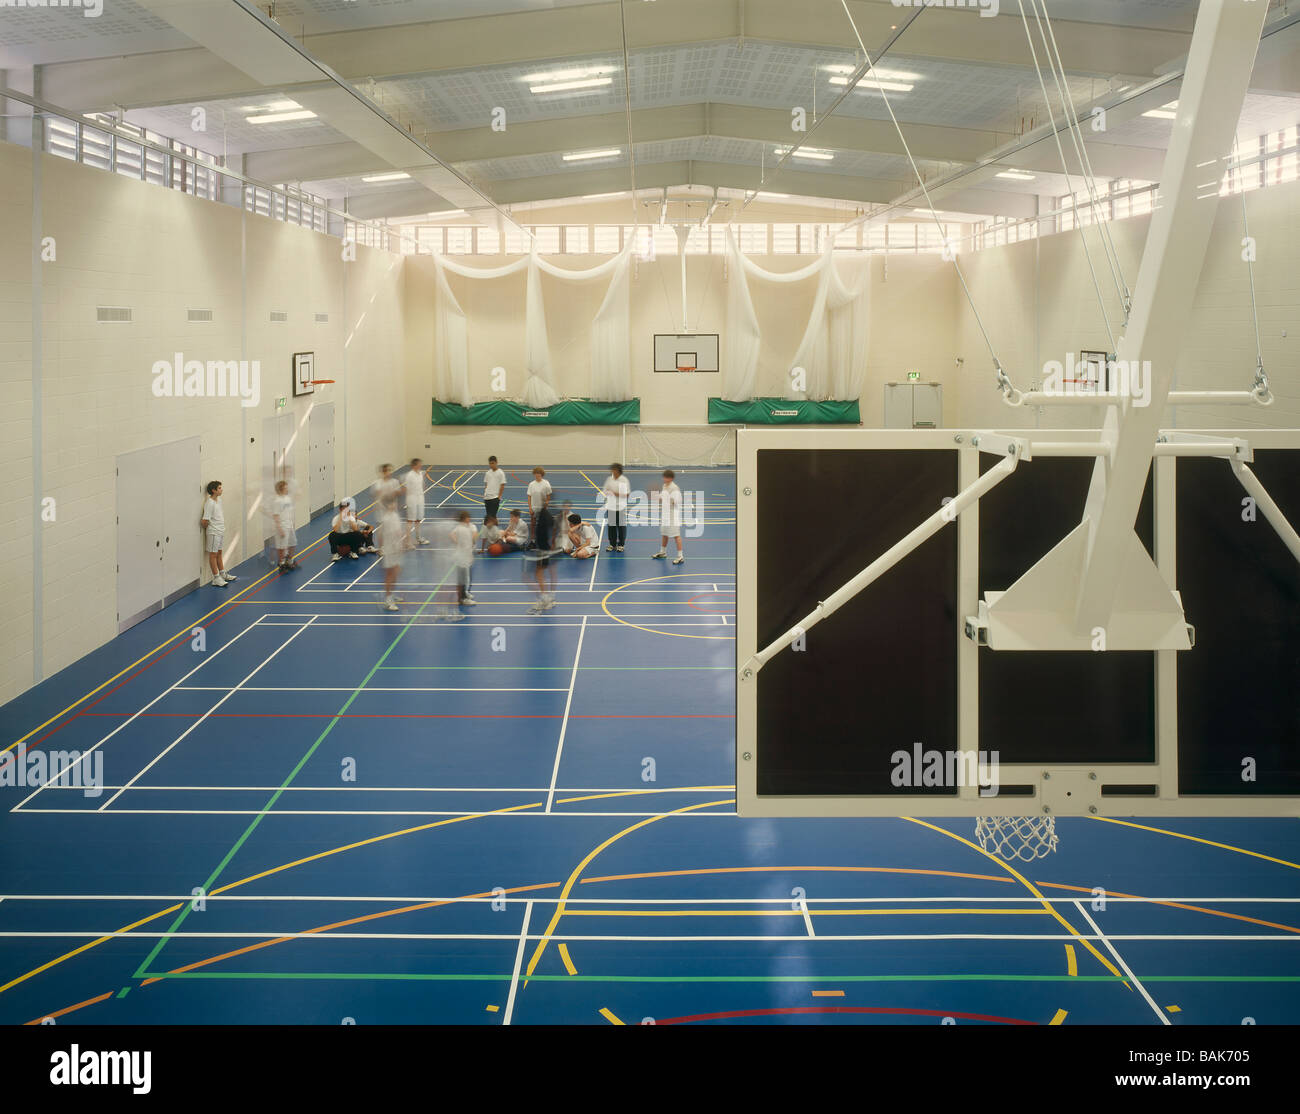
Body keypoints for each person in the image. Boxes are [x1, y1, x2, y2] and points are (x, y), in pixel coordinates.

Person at [201, 480, 236, 586]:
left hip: (221, 530)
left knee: (219, 553)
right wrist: (211, 528)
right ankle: (216, 578)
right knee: (213, 554)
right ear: (214, 490)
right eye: (219, 488)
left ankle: (222, 573)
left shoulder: (219, 500)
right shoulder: (209, 503)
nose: (222, 490)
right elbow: (204, 520)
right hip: (214, 532)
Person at [525, 504, 559, 614]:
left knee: (536, 575)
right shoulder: (549, 517)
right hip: (548, 549)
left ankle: (545, 599)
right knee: (547, 573)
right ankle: (549, 598)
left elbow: (537, 533)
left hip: (543, 550)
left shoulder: (543, 517)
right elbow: (554, 529)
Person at [651, 468, 685, 564]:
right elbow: (662, 498)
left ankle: (680, 556)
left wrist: (669, 500)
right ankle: (663, 552)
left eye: (666, 478)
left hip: (673, 515)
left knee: (676, 535)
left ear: (671, 478)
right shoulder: (664, 486)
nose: (664, 479)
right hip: (665, 514)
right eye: (664, 477)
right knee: (664, 533)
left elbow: (677, 502)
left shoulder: (675, 488)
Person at [377, 494, 404, 612]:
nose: (394, 505)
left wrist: (402, 544)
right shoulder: (386, 518)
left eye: (395, 502)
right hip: (390, 550)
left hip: (396, 549)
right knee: (390, 575)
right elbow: (380, 534)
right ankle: (388, 600)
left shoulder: (395, 515)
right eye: (392, 503)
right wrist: (382, 548)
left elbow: (398, 532)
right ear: (387, 505)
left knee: (396, 572)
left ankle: (392, 594)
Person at [450, 510, 478, 607]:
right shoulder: (465, 530)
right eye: (468, 518)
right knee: (464, 579)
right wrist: (469, 557)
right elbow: (468, 545)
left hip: (459, 557)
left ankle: (462, 597)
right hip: (463, 558)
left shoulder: (459, 528)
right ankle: (463, 599)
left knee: (461, 579)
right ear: (465, 519)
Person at [602, 462, 630, 552]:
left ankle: (621, 544)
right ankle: (612, 544)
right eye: (612, 470)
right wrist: (608, 493)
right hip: (610, 506)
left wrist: (614, 493)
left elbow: (626, 495)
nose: (612, 472)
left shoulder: (623, 480)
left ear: (618, 471)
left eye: (614, 470)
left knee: (621, 526)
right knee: (611, 526)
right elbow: (605, 490)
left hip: (620, 507)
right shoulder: (609, 479)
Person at [271, 479, 299, 571]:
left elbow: (289, 512)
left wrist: (292, 523)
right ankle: (281, 563)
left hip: (289, 525)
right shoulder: (277, 501)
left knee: (293, 542)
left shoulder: (287, 499)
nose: (287, 489)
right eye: (285, 488)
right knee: (281, 546)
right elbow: (276, 515)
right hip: (282, 526)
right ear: (281, 489)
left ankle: (290, 560)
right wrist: (280, 528)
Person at [526, 466, 552, 548]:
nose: (537, 475)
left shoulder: (546, 483)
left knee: (543, 526)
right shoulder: (531, 484)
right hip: (534, 508)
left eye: (539, 474)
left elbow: (548, 496)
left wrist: (545, 507)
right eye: (536, 474)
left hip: (542, 509)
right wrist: (530, 508)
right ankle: (533, 541)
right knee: (533, 525)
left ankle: (544, 541)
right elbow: (529, 496)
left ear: (542, 474)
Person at [404, 458, 427, 547]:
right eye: (418, 464)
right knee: (410, 520)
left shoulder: (420, 473)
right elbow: (406, 488)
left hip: (420, 499)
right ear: (414, 465)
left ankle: (418, 538)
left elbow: (422, 485)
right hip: (411, 499)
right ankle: (408, 542)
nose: (420, 465)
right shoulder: (410, 475)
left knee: (418, 519)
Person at [483, 455, 506, 525]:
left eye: (493, 463)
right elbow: (486, 484)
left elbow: (502, 485)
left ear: (496, 463)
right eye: (490, 463)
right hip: (487, 497)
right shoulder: (488, 473)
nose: (491, 465)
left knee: (492, 516)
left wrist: (499, 496)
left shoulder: (500, 473)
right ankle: (492, 530)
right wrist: (485, 493)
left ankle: (494, 529)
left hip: (495, 498)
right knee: (489, 515)